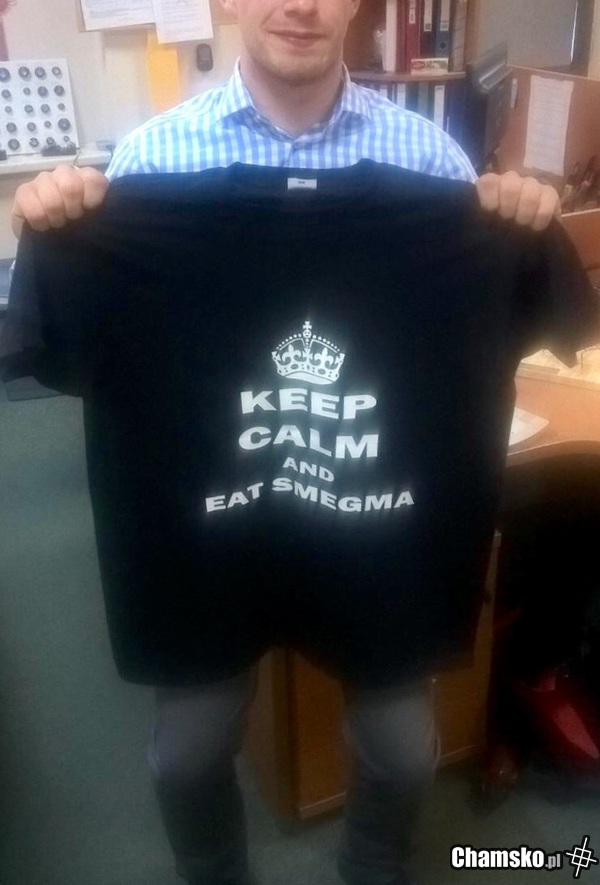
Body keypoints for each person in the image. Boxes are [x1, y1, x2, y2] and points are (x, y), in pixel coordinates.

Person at [10, 2, 564, 885]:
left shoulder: (433, 165)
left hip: (375, 531)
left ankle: (373, 866)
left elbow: (488, 330)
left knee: (403, 748)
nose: (301, 3)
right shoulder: (147, 168)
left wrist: (517, 222)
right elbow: (78, 355)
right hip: (210, 535)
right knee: (185, 754)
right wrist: (58, 230)